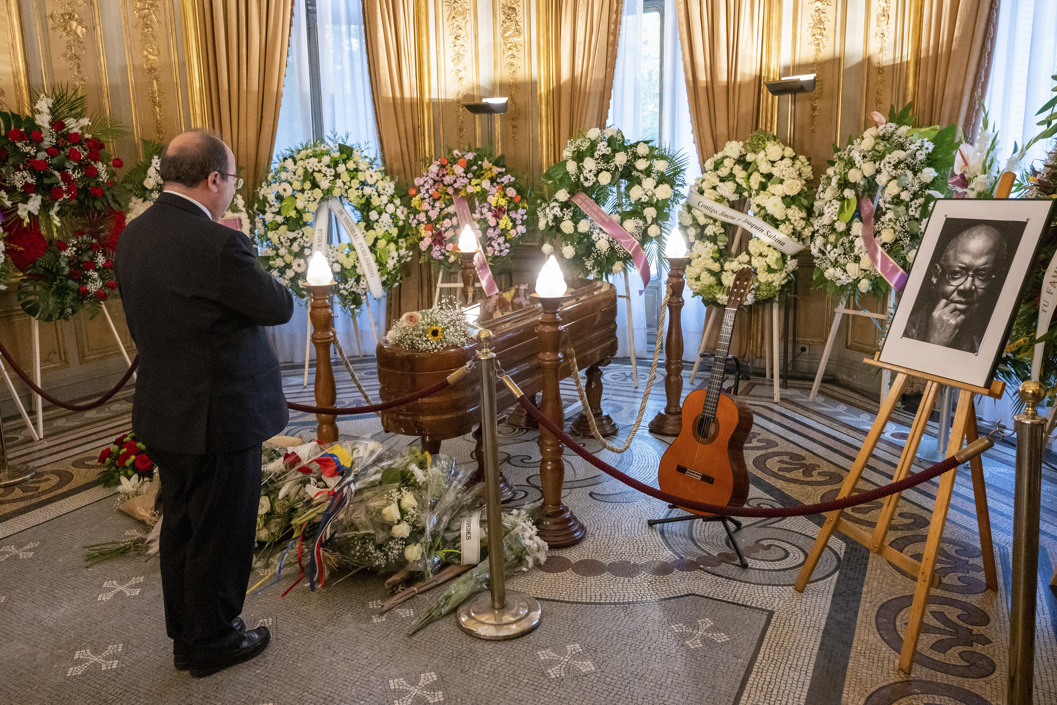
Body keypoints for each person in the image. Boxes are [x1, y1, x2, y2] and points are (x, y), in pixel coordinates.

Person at [115, 131, 294, 678]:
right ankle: (214, 640)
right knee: (222, 528)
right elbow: (277, 306)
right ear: (213, 179)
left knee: (184, 524)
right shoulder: (218, 242)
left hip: (166, 408)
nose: (231, 191)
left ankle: (187, 635)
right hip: (222, 413)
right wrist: (245, 251)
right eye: (232, 180)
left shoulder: (134, 236)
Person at [902, 224, 1007, 354]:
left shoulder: (998, 337)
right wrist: (934, 342)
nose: (967, 287)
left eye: (982, 275)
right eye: (956, 274)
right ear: (936, 275)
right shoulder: (907, 329)